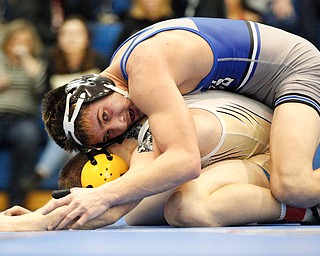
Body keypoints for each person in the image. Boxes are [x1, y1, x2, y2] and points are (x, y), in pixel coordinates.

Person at [41, 17, 320, 230]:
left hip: (296, 71)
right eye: (109, 133)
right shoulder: (127, 79)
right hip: (256, 96)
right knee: (185, 206)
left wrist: (103, 196)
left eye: (105, 116)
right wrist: (33, 219)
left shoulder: (143, 68)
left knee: (293, 185)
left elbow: (185, 161)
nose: (119, 123)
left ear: (97, 85)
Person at [1, 90, 319, 231]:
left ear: (101, 159)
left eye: (95, 184)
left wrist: (34, 222)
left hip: (276, 144)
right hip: (253, 153)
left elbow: (112, 210)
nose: (102, 189)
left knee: (188, 208)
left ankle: (307, 209)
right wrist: (36, 216)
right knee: (165, 208)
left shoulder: (151, 130)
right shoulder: (143, 128)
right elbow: (127, 209)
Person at [35, 16, 105, 182]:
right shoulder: (51, 62)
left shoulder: (99, 61)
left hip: (92, 120)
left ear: (87, 37)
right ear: (59, 38)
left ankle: (42, 171)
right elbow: (44, 99)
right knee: (68, 125)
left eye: (76, 33)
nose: (71, 38)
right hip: (57, 120)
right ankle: (72, 183)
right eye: (66, 33)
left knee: (74, 126)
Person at [0, 19, 47, 207]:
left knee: (28, 137)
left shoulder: (36, 64)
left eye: (25, 41)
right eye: (16, 40)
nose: (19, 45)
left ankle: (16, 202)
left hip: (22, 118)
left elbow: (40, 85)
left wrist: (25, 57)